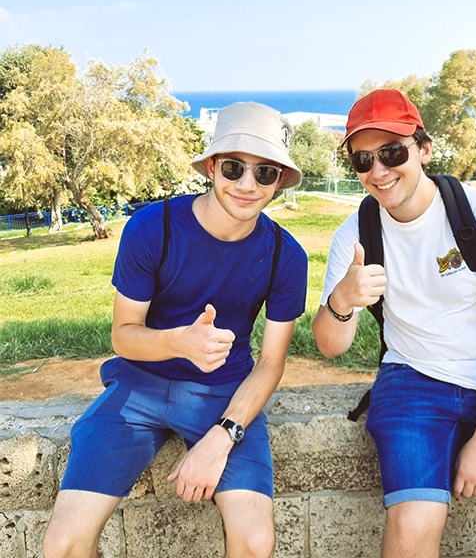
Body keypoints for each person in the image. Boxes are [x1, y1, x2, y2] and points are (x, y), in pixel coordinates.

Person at [43, 102, 308, 558]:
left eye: (265, 173)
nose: (247, 185)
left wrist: (223, 435)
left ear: (280, 180)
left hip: (223, 396)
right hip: (138, 387)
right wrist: (178, 343)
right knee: (63, 544)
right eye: (233, 167)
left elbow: (270, 362)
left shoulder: (286, 256)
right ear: (210, 167)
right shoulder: (153, 228)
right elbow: (123, 334)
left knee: (255, 542)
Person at [312, 89, 476, 557]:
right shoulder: (356, 234)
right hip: (413, 379)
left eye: (392, 152)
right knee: (412, 532)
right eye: (363, 161)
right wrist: (342, 300)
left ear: (424, 150)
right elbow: (330, 345)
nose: (378, 171)